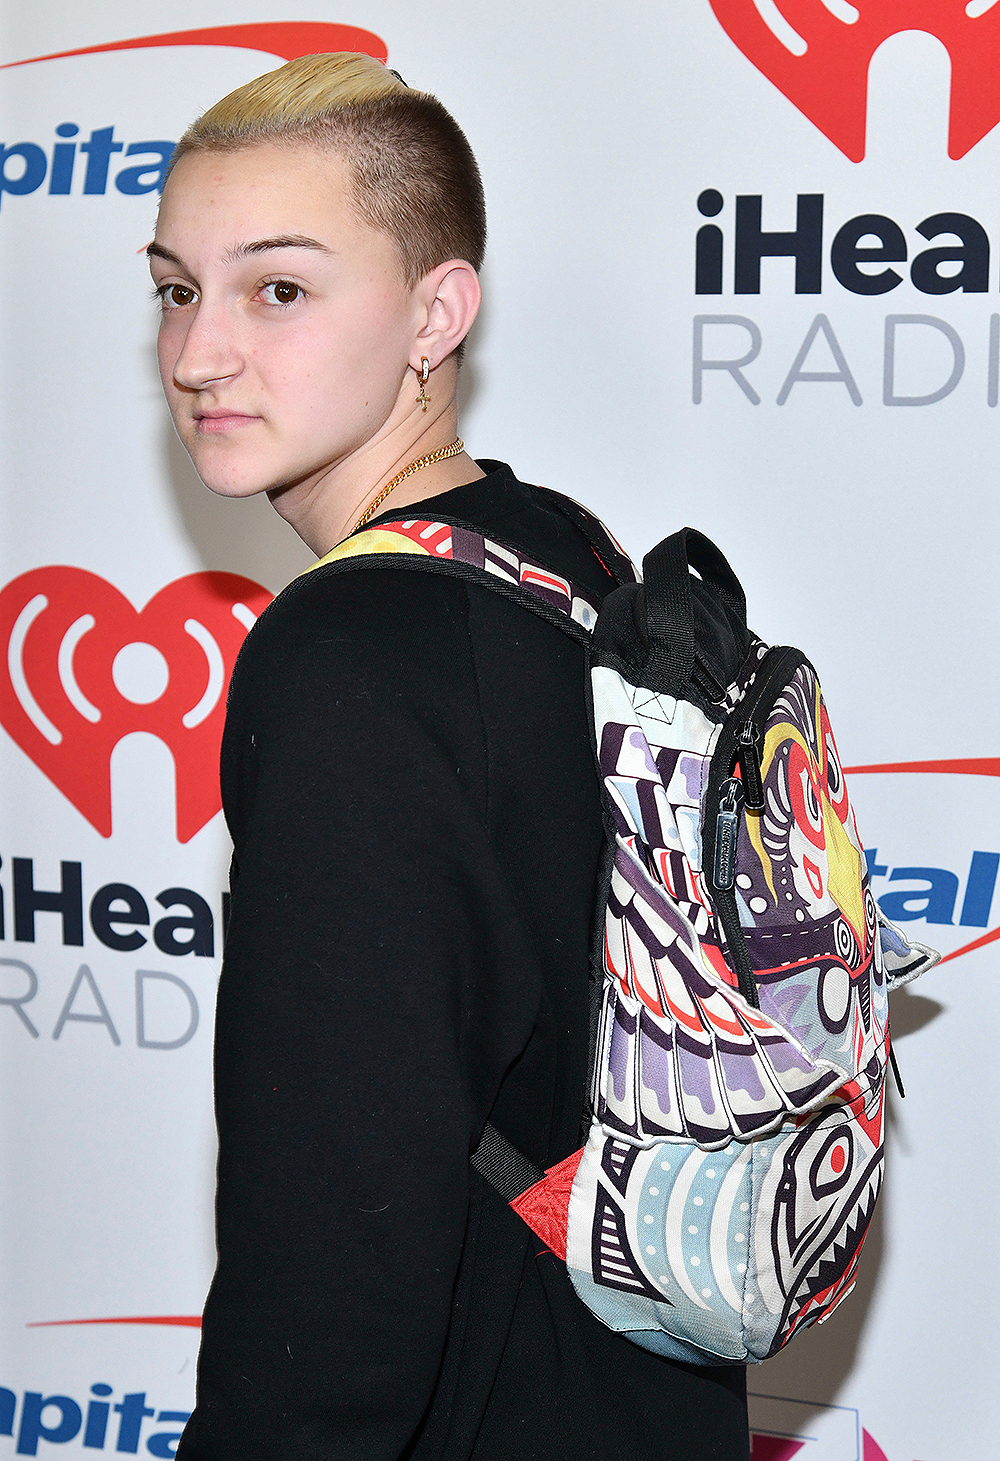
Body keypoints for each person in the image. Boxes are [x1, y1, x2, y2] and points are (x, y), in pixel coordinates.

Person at [149, 51, 750, 1460]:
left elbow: (335, 1269)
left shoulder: (346, 656)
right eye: (177, 287)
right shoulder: (560, 545)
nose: (196, 353)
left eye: (277, 289)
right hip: (639, 1396)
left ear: (438, 310)